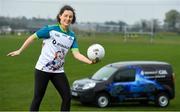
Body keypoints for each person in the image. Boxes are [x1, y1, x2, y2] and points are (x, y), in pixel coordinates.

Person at [7, 5, 98, 111]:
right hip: (42, 70)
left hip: (58, 71)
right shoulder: (50, 29)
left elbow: (76, 54)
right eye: (65, 16)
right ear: (60, 16)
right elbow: (32, 37)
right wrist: (20, 50)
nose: (68, 18)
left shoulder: (72, 36)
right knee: (38, 98)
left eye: (70, 17)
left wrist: (90, 61)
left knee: (67, 97)